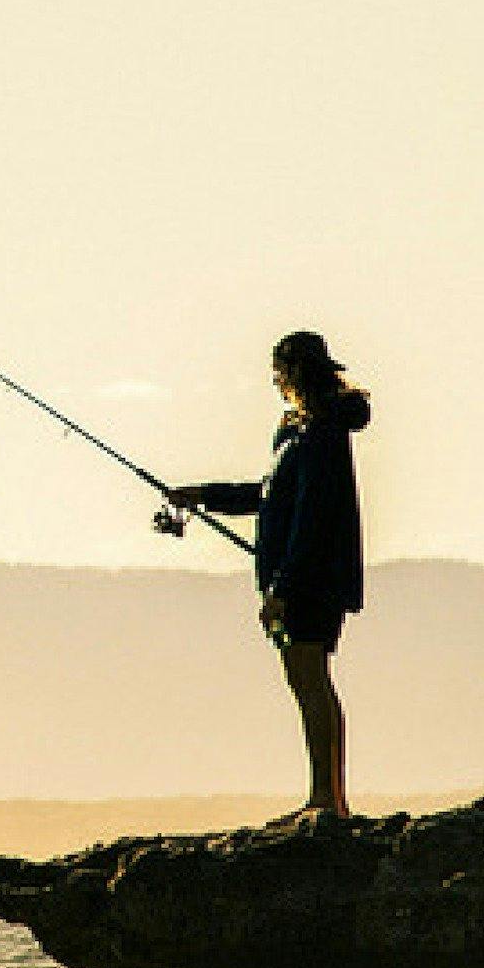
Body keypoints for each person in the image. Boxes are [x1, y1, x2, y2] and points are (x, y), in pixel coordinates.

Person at [163, 331, 370, 822]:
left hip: (309, 582)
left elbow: (310, 520)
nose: (276, 382)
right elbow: (269, 496)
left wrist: (282, 589)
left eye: (279, 372)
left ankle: (327, 800)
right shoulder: (298, 435)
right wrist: (203, 495)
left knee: (310, 678)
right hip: (302, 579)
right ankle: (326, 797)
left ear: (295, 374)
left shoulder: (320, 434)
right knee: (305, 679)